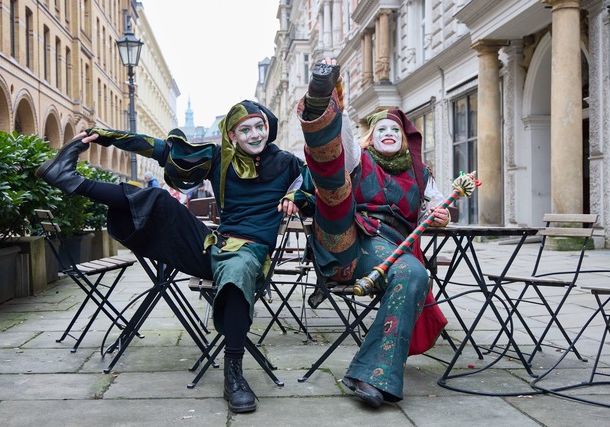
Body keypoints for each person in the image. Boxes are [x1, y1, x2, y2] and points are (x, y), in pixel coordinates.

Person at [35, 100, 314, 414]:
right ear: (232, 135)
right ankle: (72, 181)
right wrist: (106, 137)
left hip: (252, 253)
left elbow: (313, 182)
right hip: (213, 247)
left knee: (238, 270)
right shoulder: (218, 157)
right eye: (245, 129)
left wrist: (295, 194)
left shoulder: (287, 163)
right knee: (156, 199)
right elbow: (164, 151)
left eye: (259, 127)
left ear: (267, 127)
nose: (255, 134)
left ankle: (232, 374)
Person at [296, 59, 449, 408]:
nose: (388, 133)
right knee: (331, 180)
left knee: (413, 272)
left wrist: (438, 216)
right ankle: (319, 101)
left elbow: (433, 210)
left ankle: (371, 374)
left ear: (403, 138)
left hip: (392, 250)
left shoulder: (421, 174)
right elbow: (345, 141)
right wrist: (336, 102)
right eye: (381, 130)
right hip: (348, 239)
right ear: (371, 138)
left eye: (394, 130)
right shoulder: (359, 159)